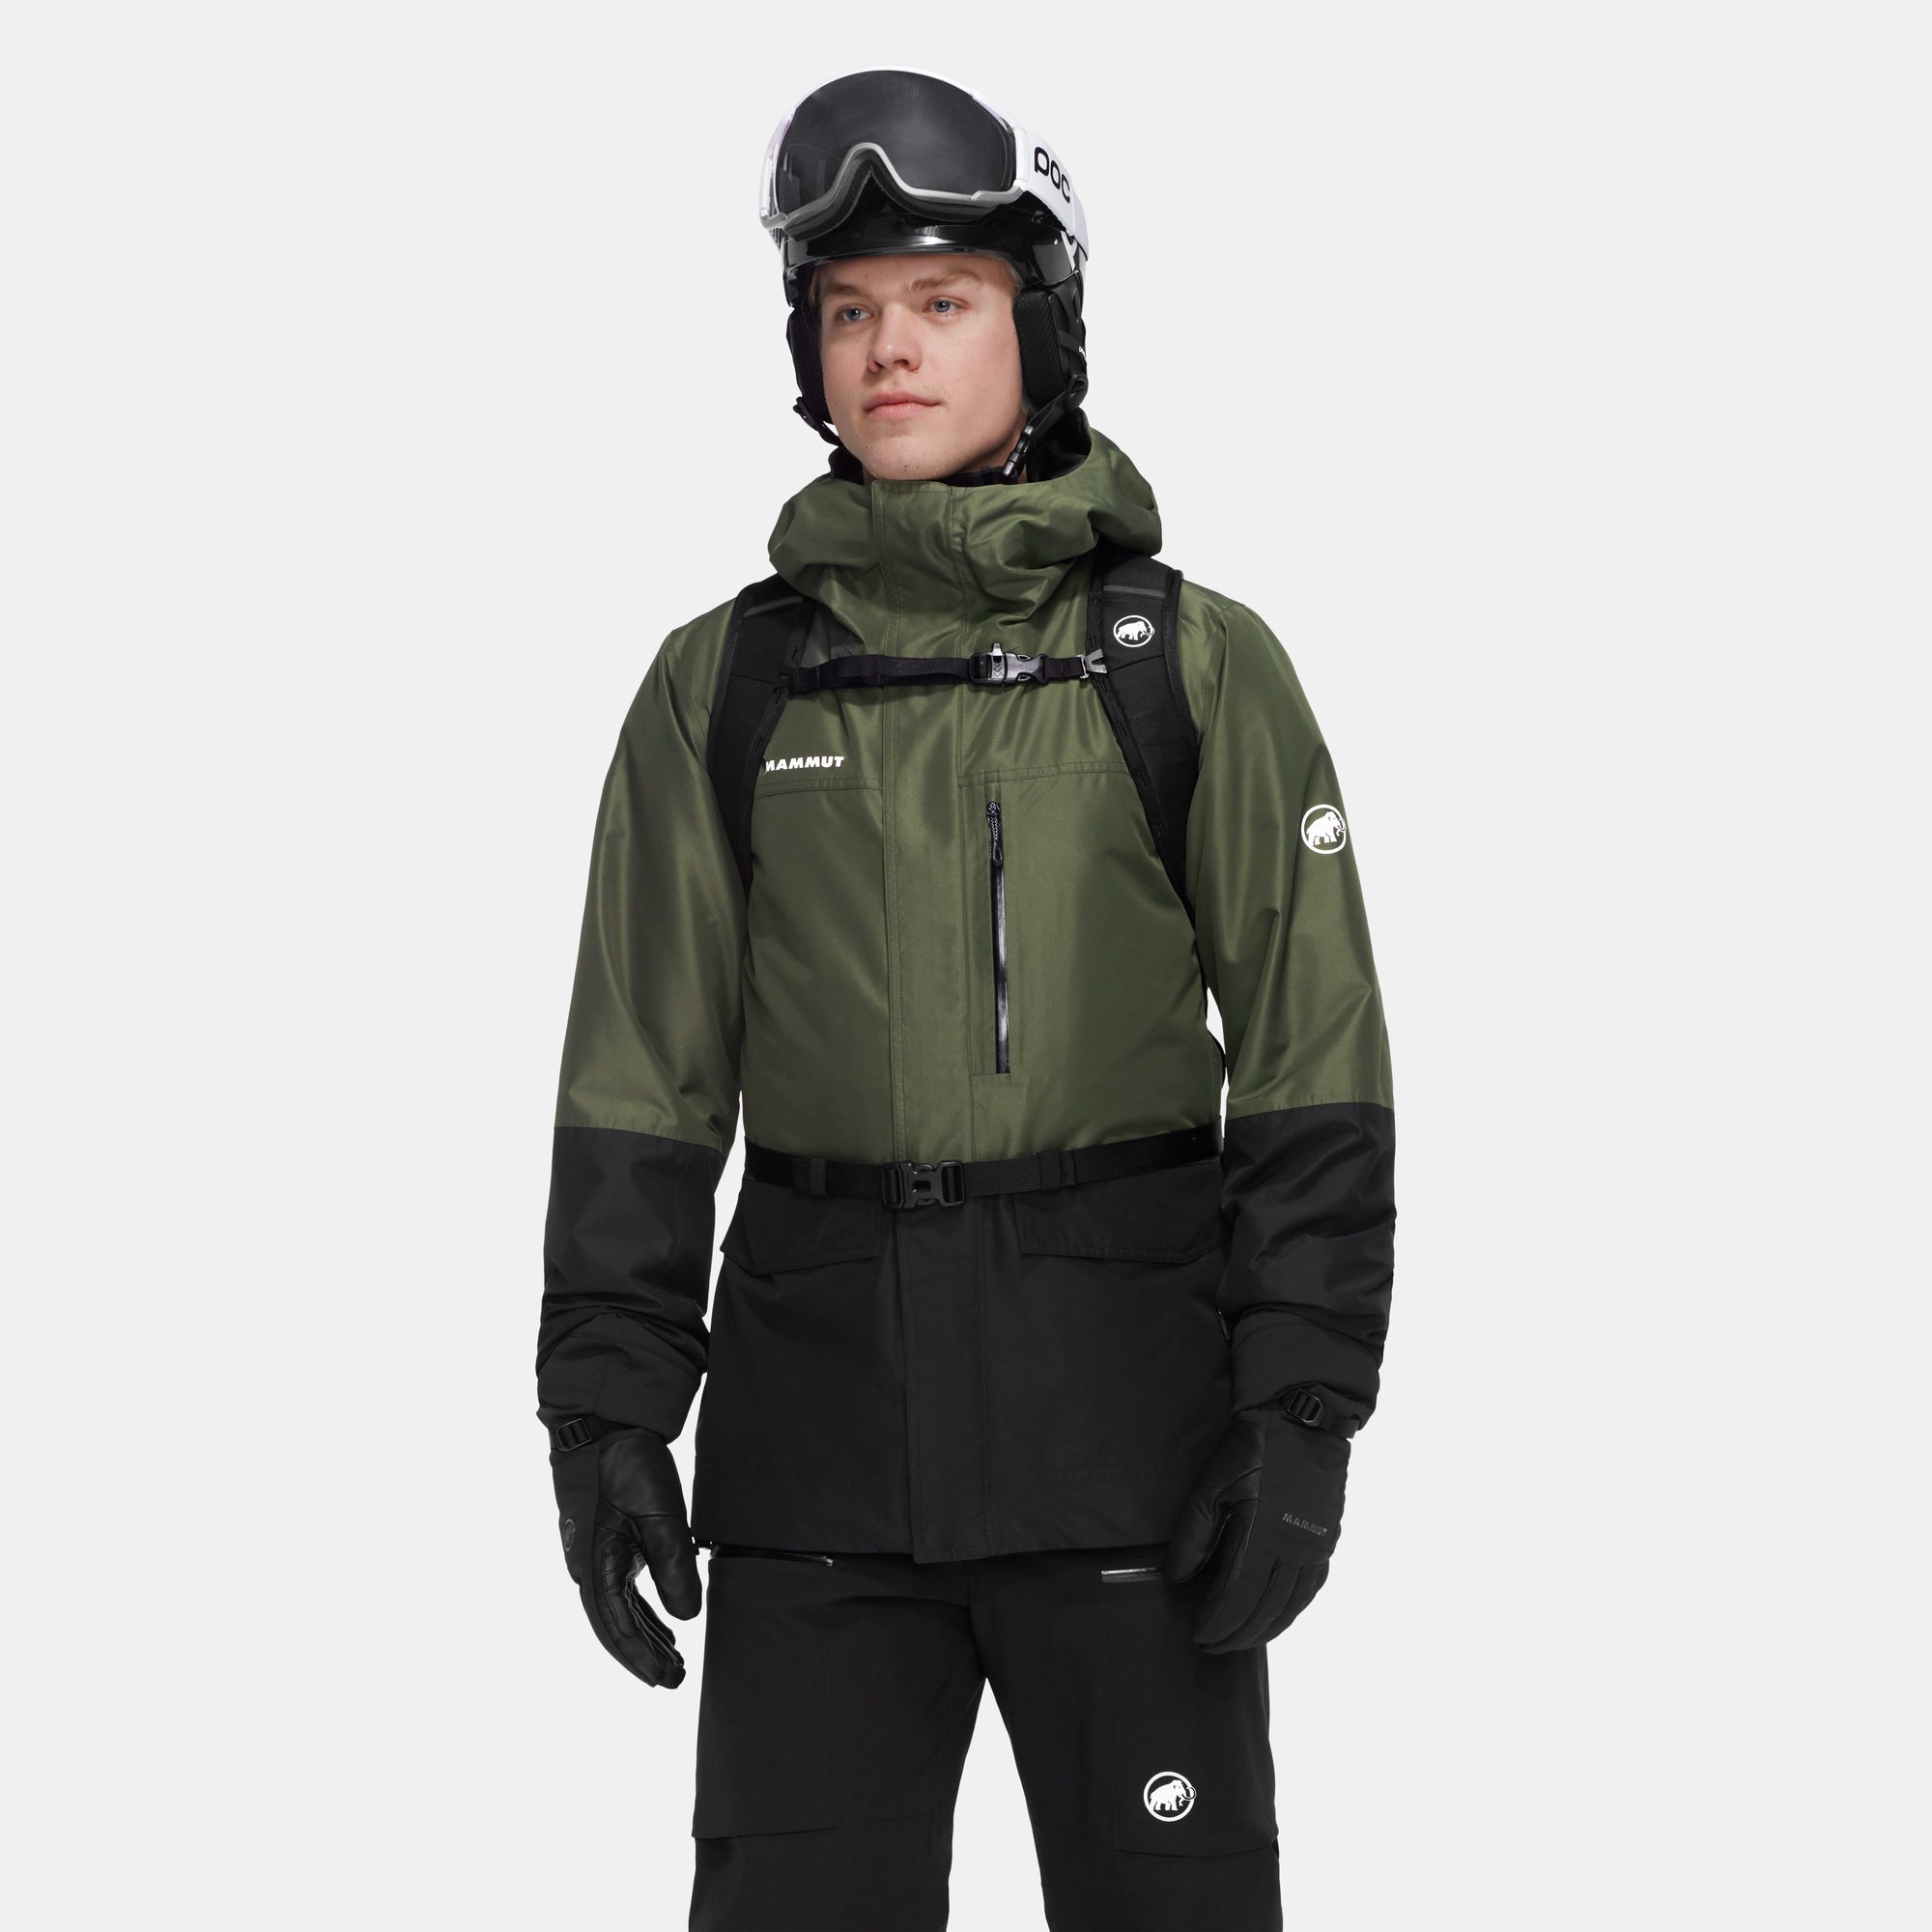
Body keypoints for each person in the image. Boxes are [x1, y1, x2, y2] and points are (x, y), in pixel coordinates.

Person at [536, 66, 1396, 1932]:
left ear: (1039, 330)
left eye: (943, 299)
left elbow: (1313, 1053)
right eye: (850, 310)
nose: (891, 350)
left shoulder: (1185, 666)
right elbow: (642, 1078)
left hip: (1131, 1456)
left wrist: (1303, 1414)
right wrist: (605, 1416)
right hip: (816, 1466)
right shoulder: (721, 687)